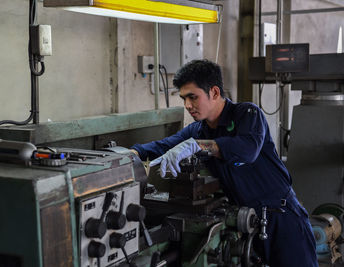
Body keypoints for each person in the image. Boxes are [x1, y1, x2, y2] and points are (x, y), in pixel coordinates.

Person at [130, 59, 317, 267]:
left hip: (282, 218)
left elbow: (247, 150)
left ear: (215, 93)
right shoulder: (198, 130)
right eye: (183, 99)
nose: (187, 106)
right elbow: (163, 146)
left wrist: (200, 146)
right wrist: (130, 153)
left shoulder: (248, 114)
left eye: (193, 97)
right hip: (248, 222)